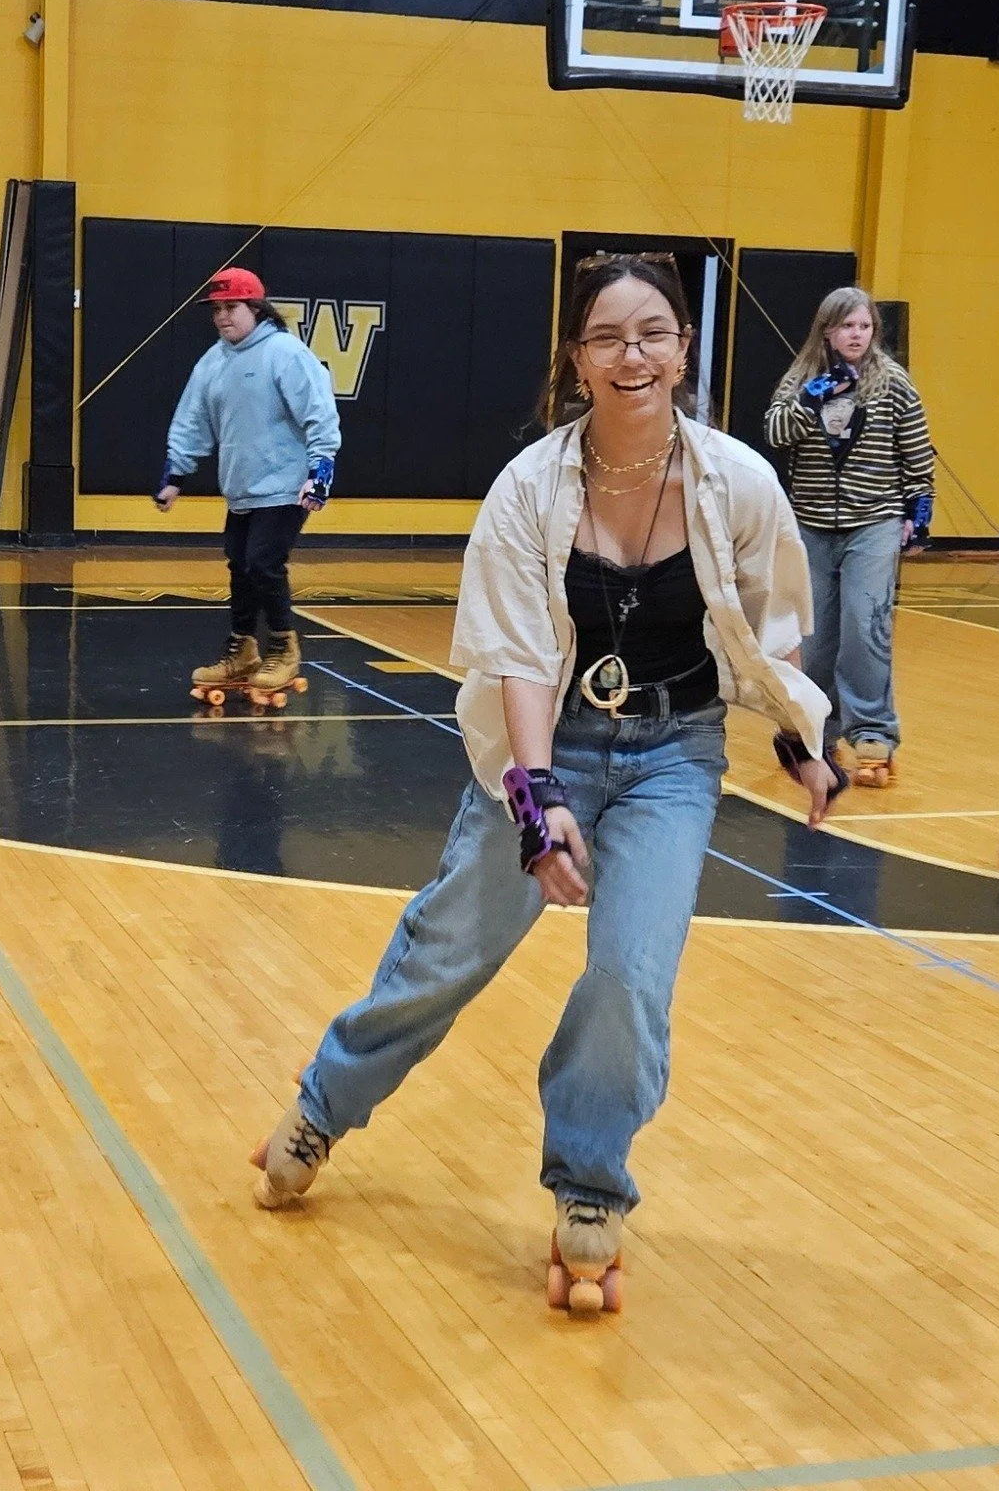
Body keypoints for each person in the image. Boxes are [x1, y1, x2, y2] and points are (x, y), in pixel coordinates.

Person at [249, 254, 839, 1315]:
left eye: (653, 333)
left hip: (673, 755)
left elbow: (769, 629)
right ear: (576, 358)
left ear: (684, 349)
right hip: (547, 742)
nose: (632, 355)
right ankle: (324, 1103)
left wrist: (799, 742)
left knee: (630, 978)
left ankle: (590, 1186)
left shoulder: (738, 482)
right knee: (450, 953)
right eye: (608, 336)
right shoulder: (529, 489)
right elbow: (520, 658)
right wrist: (537, 804)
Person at [765, 288, 934, 788]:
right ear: (827, 331)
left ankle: (874, 737)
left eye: (864, 326)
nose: (856, 335)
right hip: (812, 525)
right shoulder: (802, 378)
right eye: (846, 326)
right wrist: (814, 396)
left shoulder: (893, 382)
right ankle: (816, 732)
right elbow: (775, 433)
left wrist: (919, 515)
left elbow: (918, 452)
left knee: (865, 629)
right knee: (814, 640)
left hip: (874, 523)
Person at [155, 268, 341, 699]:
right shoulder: (213, 362)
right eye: (216, 309)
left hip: (287, 486)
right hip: (241, 487)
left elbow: (319, 411)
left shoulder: (285, 354)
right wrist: (175, 474)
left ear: (256, 309)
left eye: (232, 307)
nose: (222, 316)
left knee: (263, 562)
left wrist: (320, 472)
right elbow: (192, 419)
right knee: (239, 565)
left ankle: (283, 648)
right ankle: (242, 650)